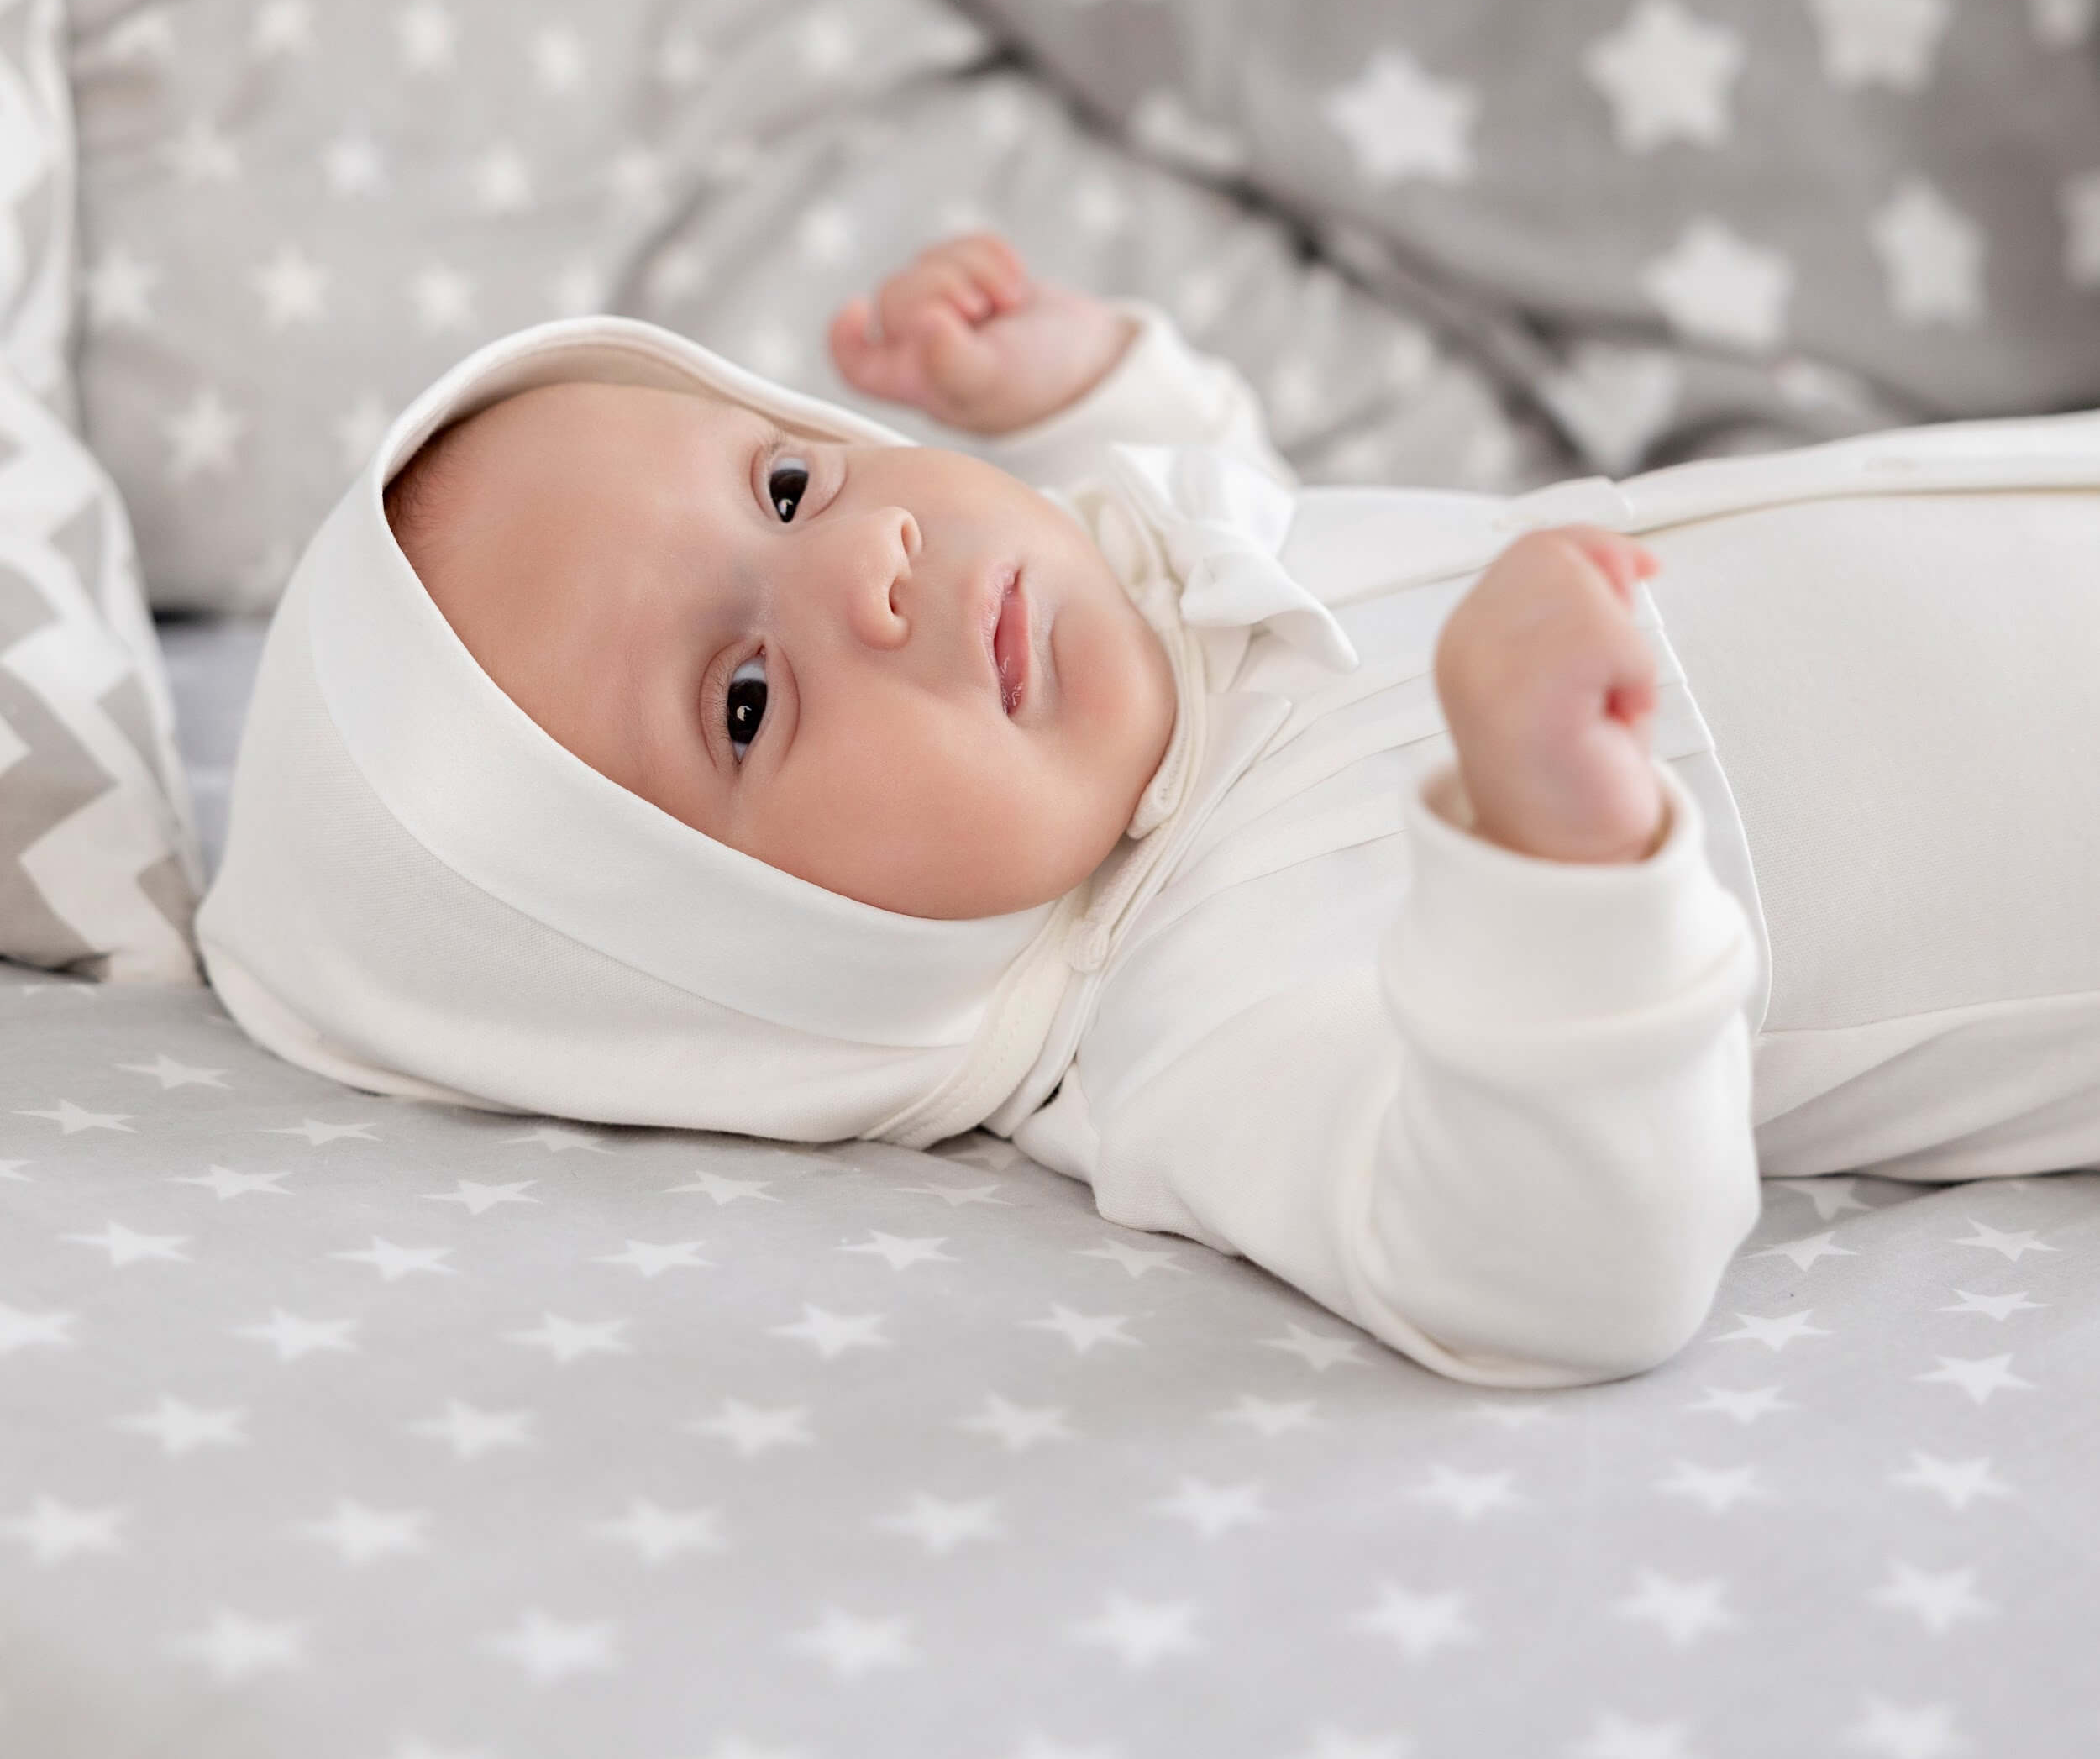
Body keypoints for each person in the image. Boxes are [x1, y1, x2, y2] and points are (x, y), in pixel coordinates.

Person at [195, 233, 2100, 1389]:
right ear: (764, 980)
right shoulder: (1203, 1009)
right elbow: (1548, 1270)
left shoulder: (1151, 605)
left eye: (782, 485)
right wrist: (1549, 855)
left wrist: (1070, 380)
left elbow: (1204, 496)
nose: (868, 562)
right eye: (747, 700)